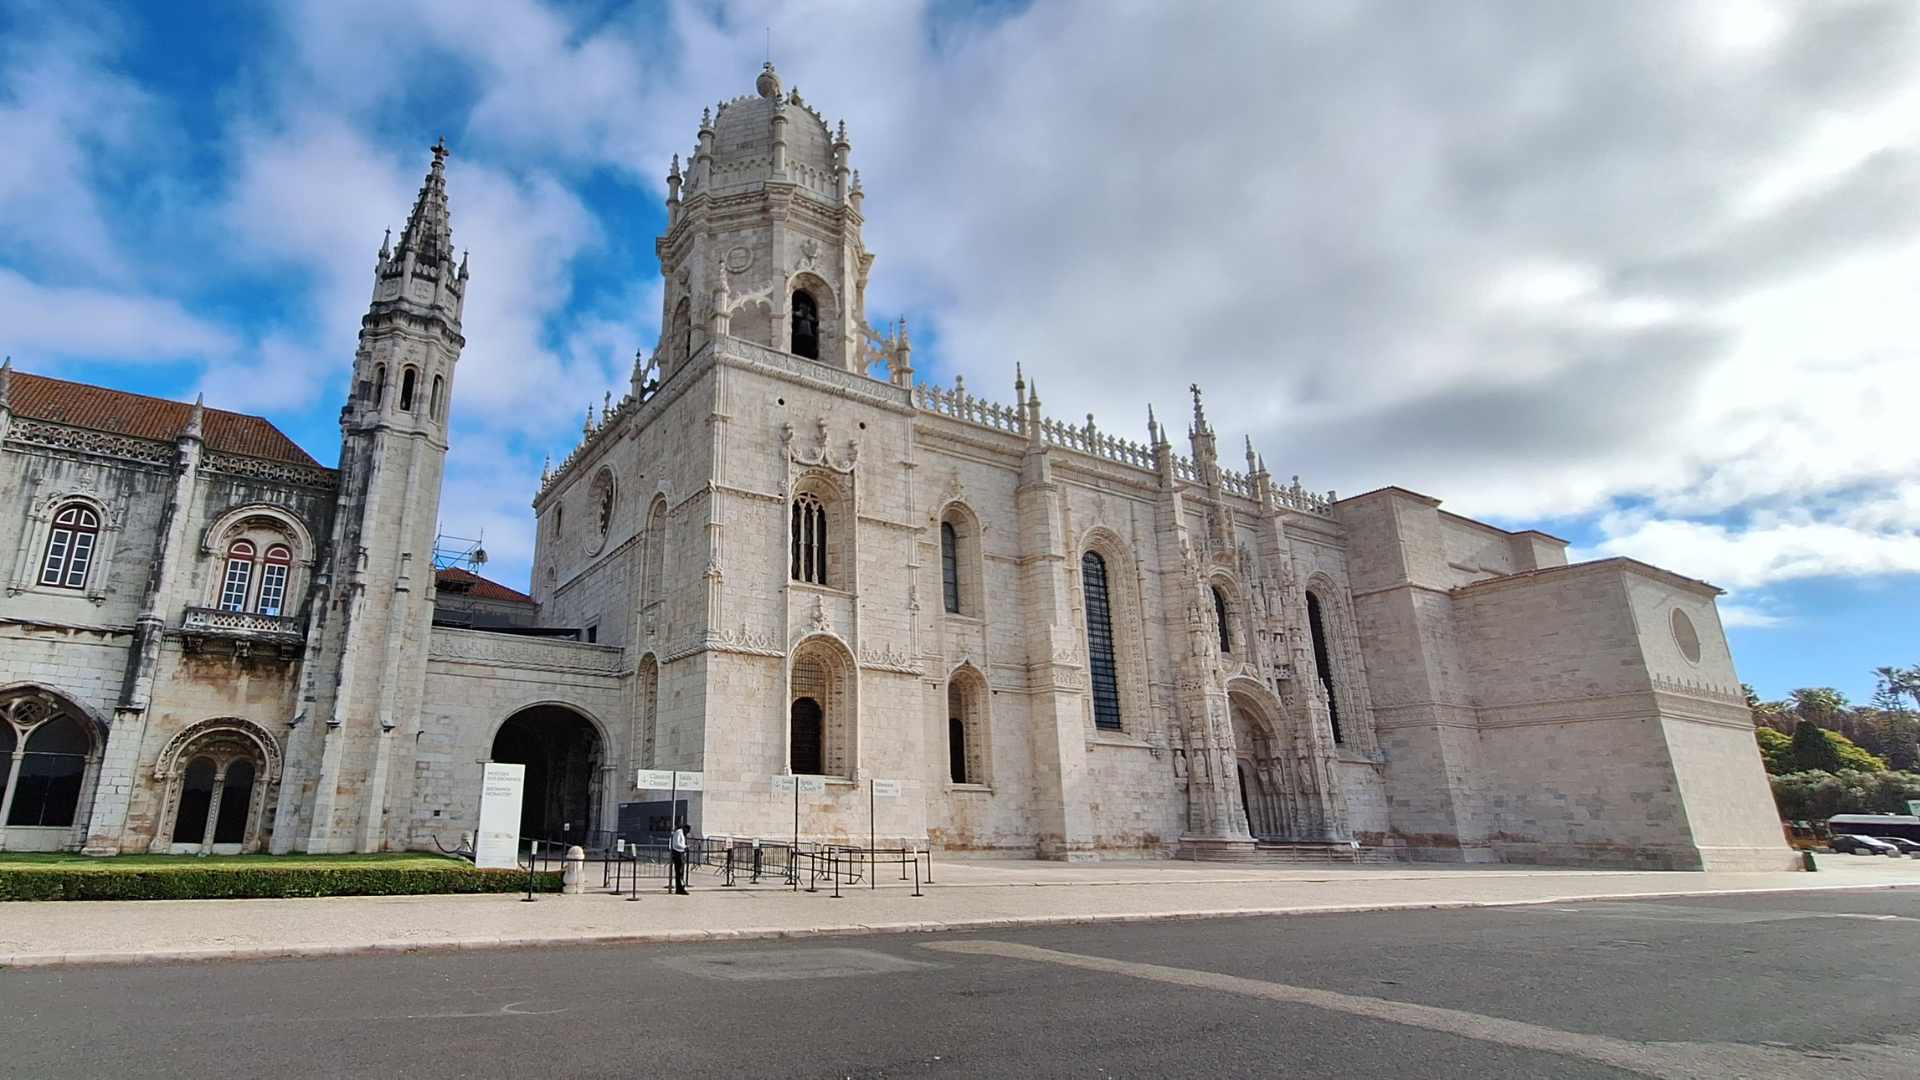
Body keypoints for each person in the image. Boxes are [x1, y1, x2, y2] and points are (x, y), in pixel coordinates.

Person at [669, 822, 691, 895]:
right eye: (687, 831)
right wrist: (685, 846)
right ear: (685, 828)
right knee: (679, 872)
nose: (687, 833)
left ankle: (681, 887)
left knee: (681, 872)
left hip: (681, 853)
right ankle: (680, 888)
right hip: (678, 853)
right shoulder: (678, 833)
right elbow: (676, 844)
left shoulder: (681, 833)